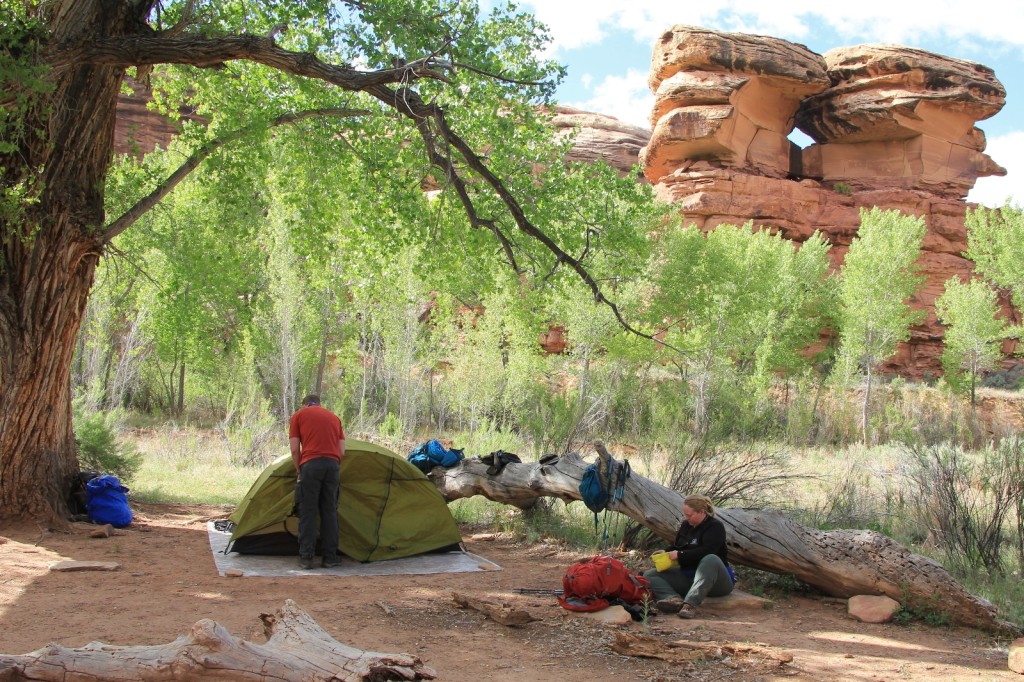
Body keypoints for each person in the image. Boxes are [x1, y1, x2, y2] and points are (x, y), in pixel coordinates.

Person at [643, 494, 735, 618]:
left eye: (689, 515)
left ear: (701, 512)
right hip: (690, 577)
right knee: (650, 574)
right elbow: (678, 546)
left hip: (716, 582)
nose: (687, 518)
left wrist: (680, 555)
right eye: (685, 514)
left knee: (710, 559)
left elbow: (707, 551)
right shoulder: (686, 525)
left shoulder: (715, 527)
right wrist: (665, 552)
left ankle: (690, 605)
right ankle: (673, 600)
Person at [289, 393, 346, 570]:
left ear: (305, 404)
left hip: (310, 465)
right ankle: (330, 557)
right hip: (332, 465)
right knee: (329, 511)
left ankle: (307, 558)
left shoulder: (299, 416)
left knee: (308, 511)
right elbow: (342, 451)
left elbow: (294, 449)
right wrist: (332, 465)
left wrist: (299, 470)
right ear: (320, 404)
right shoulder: (334, 418)